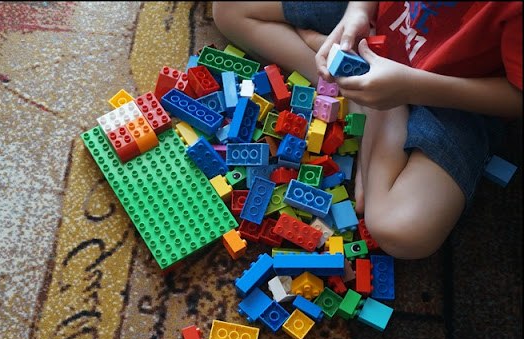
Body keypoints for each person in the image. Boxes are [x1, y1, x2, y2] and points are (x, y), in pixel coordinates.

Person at [212, 1, 522, 259]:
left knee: (404, 231)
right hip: (373, 27)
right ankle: (365, 96)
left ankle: (376, 103)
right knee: (229, 8)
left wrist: (409, 89)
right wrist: (357, 12)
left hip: (454, 92)